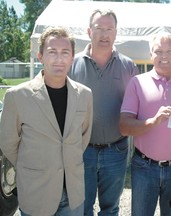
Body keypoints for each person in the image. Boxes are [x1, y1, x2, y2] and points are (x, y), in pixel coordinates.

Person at [0, 27, 93, 216]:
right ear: (41, 56)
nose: (59, 59)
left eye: (65, 52)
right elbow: (8, 142)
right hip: (36, 192)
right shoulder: (17, 96)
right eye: (52, 52)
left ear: (72, 57)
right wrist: (33, 166)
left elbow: (83, 137)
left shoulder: (85, 95)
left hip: (73, 194)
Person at [119, 32, 171, 216]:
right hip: (144, 166)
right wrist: (153, 122)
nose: (164, 56)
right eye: (158, 51)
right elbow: (124, 127)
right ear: (150, 55)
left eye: (170, 51)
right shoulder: (137, 83)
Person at [68, 9, 139, 216]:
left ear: (116, 33)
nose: (104, 34)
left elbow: (138, 105)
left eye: (110, 29)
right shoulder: (72, 64)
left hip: (115, 151)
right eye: (99, 28)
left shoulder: (128, 66)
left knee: (111, 208)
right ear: (89, 31)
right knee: (82, 208)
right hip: (82, 150)